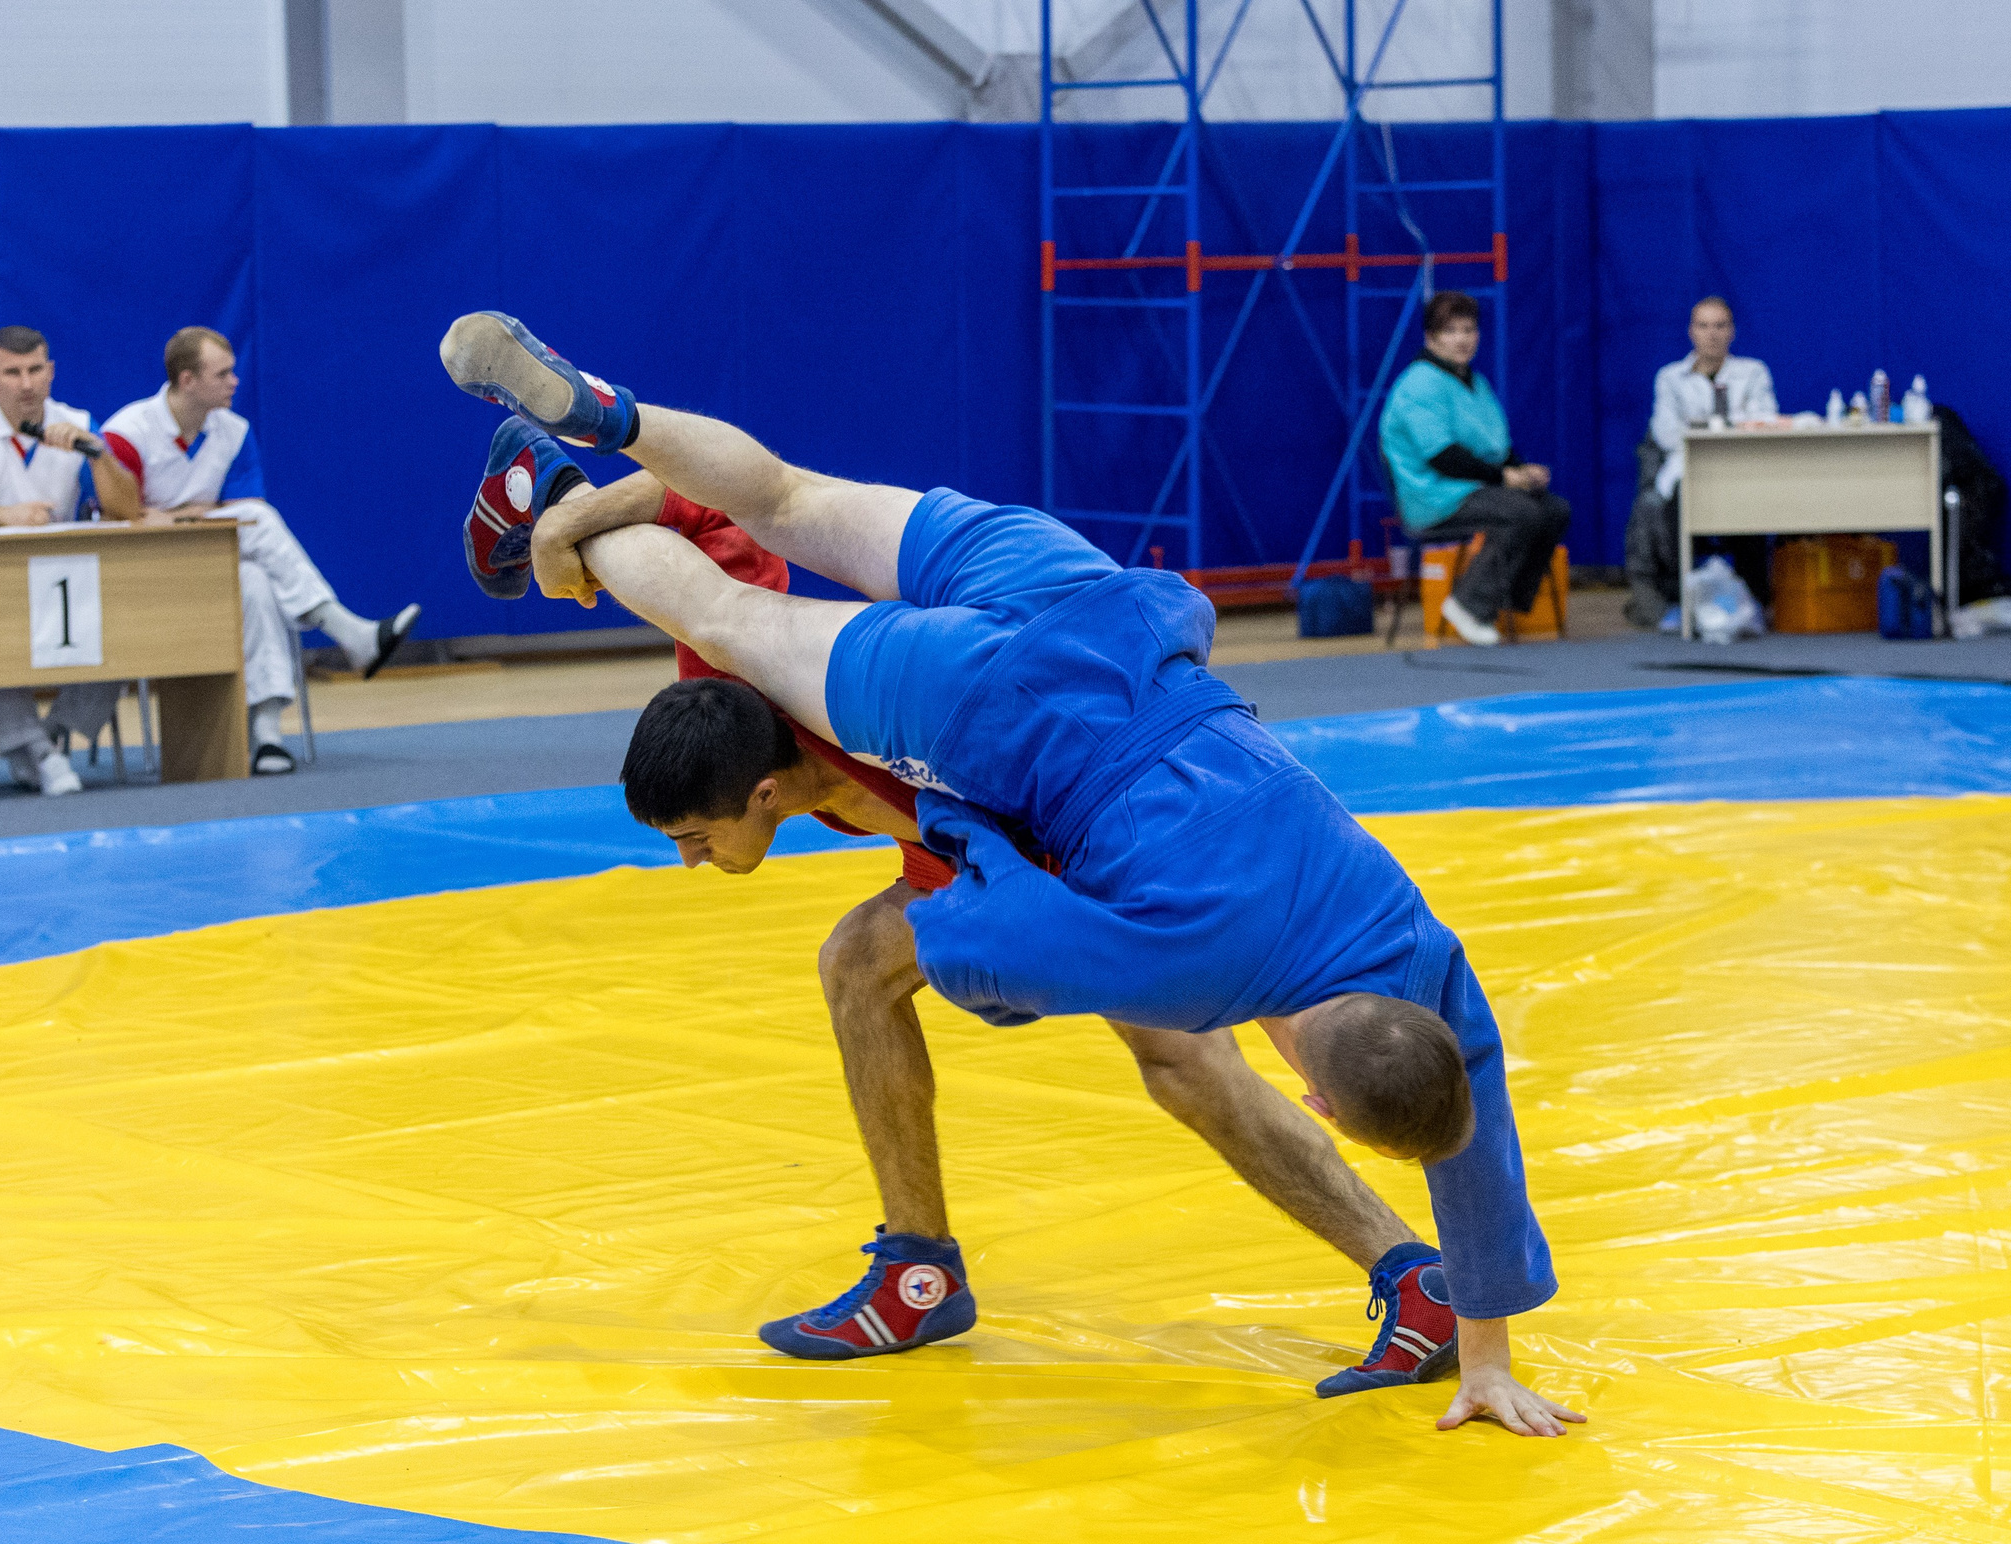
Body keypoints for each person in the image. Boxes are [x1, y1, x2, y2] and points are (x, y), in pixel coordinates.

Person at [445, 314, 1583, 1436]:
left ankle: (606, 411)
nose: (692, 861)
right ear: (1320, 1100)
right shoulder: (1183, 956)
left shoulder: (1407, 937)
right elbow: (997, 944)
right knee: (733, 627)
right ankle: (931, 1270)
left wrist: (585, 494)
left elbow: (743, 507)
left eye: (691, 839)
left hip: (1095, 608)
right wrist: (962, 839)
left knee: (783, 500)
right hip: (998, 722)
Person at [102, 327, 420, 774]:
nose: (235, 381)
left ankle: (267, 734)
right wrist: (191, 513)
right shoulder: (126, 433)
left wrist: (175, 513)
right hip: (144, 569)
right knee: (259, 520)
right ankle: (348, 631)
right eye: (223, 373)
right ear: (188, 380)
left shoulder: (233, 432)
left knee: (255, 581)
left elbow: (238, 508)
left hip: (211, 558)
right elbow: (118, 515)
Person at [0, 325, 135, 796]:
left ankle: (53, 734)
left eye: (35, 370)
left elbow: (127, 509)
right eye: (12, 372)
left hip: (65, 577)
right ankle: (34, 749)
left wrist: (97, 455)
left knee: (126, 617)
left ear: (51, 372)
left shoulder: (77, 423)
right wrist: (4, 516)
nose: (26, 383)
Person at [1378, 291, 1570, 649]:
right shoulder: (1419, 383)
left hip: (1473, 489)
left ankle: (1507, 601)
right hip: (1432, 495)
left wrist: (1520, 470)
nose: (1462, 339)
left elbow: (1497, 447)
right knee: (1521, 512)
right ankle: (1469, 606)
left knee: (1554, 508)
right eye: (1450, 331)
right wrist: (1503, 477)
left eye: (1469, 329)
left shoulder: (1475, 383)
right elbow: (1442, 457)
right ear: (1430, 337)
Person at [1625, 296, 1779, 629]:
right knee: (1669, 502)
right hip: (1687, 471)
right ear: (1691, 332)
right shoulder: (1670, 378)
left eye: (1720, 326)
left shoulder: (1753, 372)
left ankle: (1754, 596)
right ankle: (1681, 599)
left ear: (1732, 332)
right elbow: (1667, 434)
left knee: (1755, 500)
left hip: (1741, 471)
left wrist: (1702, 428)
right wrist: (1727, 428)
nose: (1712, 334)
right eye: (1704, 326)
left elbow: (1763, 421)